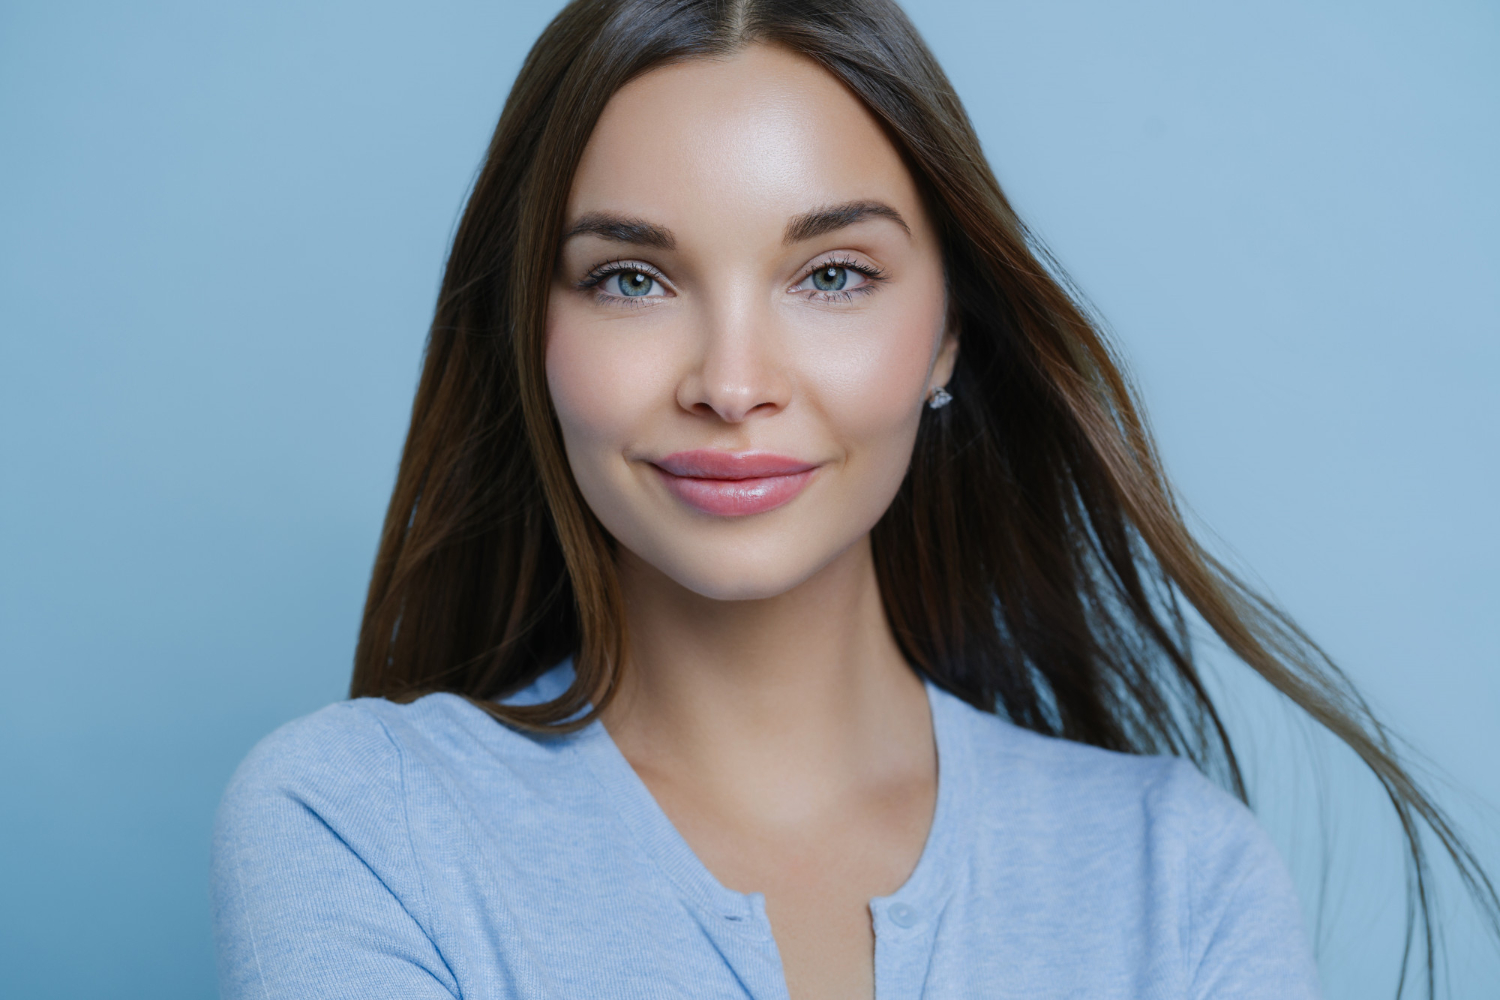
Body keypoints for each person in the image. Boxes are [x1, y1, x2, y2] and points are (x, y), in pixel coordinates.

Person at [210, 1, 1496, 997]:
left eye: (830, 275)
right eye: (629, 280)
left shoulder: (1181, 879)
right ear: (530, 336)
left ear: (946, 335)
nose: (730, 383)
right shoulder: (361, 827)